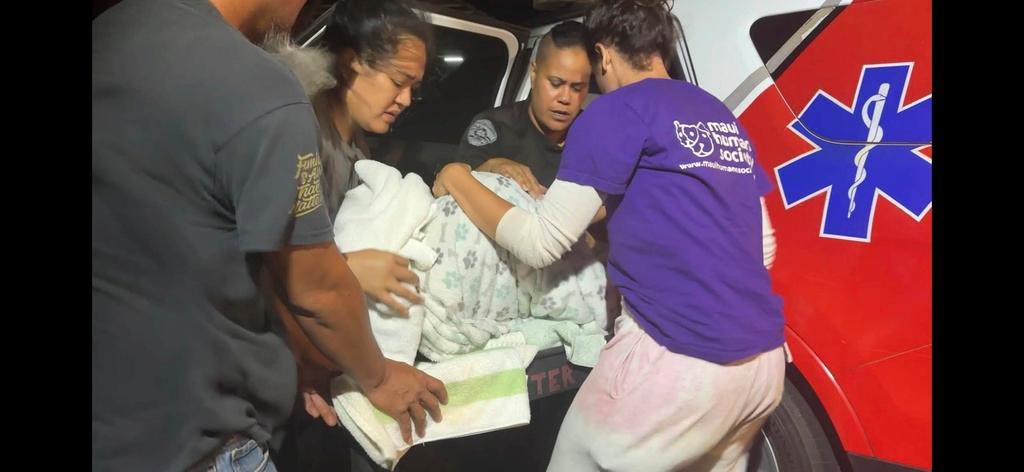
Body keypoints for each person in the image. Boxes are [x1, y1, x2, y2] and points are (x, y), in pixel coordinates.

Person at [430, 0, 785, 469]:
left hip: (675, 360)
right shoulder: (716, 114)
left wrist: (458, 177)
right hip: (764, 365)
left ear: (604, 55)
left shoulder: (617, 111)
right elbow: (763, 247)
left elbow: (541, 243)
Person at [93, 0, 445, 470]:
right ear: (352, 62)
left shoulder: (115, 27)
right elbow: (307, 283)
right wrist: (375, 376)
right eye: (398, 81)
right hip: (206, 433)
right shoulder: (268, 98)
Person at [449, 20, 591, 198]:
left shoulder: (593, 138)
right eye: (555, 84)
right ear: (534, 74)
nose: (565, 98)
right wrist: (491, 167)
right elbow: (453, 190)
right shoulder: (494, 127)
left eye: (577, 88)